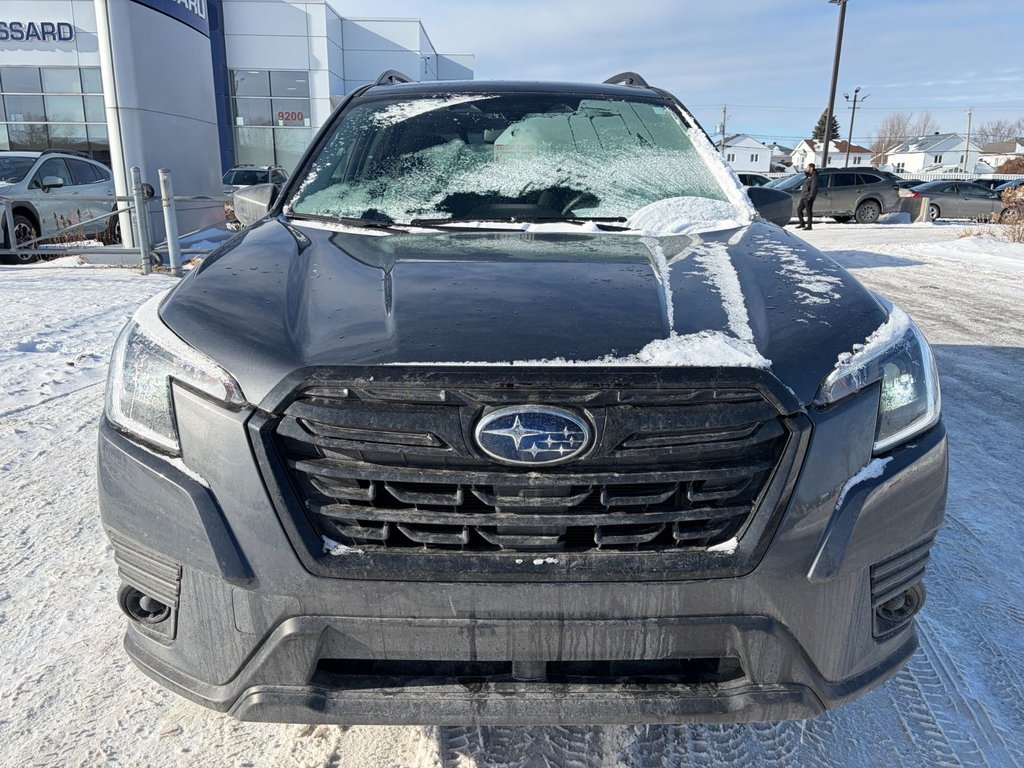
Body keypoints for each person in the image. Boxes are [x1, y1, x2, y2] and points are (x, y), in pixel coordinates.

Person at [796, 163, 819, 230]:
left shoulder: (814, 177)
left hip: (808, 197)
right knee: (799, 210)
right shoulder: (809, 176)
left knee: (808, 211)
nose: (806, 168)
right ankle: (802, 223)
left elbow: (813, 188)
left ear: (811, 168)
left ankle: (809, 226)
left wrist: (810, 197)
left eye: (808, 167)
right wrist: (806, 172)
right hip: (804, 196)